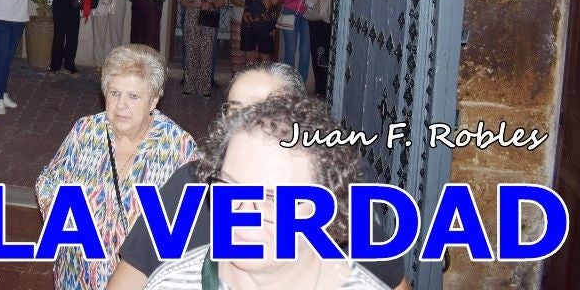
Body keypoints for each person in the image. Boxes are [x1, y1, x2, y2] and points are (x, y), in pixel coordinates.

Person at [110, 63, 409, 290]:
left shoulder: (333, 199)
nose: (247, 124)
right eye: (235, 111)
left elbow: (395, 282)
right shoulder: (191, 184)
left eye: (265, 111)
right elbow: (131, 274)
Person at [36, 45, 196, 290]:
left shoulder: (179, 147)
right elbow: (47, 184)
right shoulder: (86, 131)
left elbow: (194, 221)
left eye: (133, 96)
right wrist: (67, 226)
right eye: (114, 93)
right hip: (77, 276)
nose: (121, 105)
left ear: (154, 100)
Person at [178, 0, 226, 96]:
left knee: (207, 52)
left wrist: (211, 5)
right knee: (191, 51)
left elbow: (222, 1)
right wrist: (193, 3)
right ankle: (189, 86)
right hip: (192, 19)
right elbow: (183, 1)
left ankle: (205, 87)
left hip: (209, 19)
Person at [281, 0, 317, 81]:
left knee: (305, 51)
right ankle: (288, 82)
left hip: (307, 15)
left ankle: (301, 82)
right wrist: (287, 2)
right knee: (290, 49)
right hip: (290, 13)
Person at [306, 0, 337, 97]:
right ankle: (330, 87)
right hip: (332, 21)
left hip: (319, 21)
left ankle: (321, 88)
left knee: (319, 54)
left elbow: (311, 1)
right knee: (330, 54)